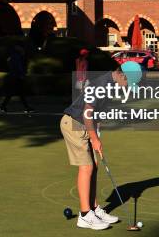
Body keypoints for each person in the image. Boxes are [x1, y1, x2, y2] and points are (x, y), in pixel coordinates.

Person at [60, 68, 128, 230]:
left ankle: (94, 209)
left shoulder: (111, 85)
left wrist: (96, 135)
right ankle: (85, 215)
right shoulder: (102, 85)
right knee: (87, 167)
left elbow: (97, 114)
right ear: (121, 75)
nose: (129, 86)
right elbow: (87, 113)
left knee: (94, 166)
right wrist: (95, 139)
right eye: (128, 82)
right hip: (74, 124)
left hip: (84, 126)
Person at [0, 45, 34, 113]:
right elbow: (18, 67)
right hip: (17, 77)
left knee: (16, 93)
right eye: (20, 47)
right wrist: (22, 74)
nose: (22, 48)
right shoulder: (16, 56)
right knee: (17, 93)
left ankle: (2, 107)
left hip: (14, 76)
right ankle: (27, 108)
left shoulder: (13, 56)